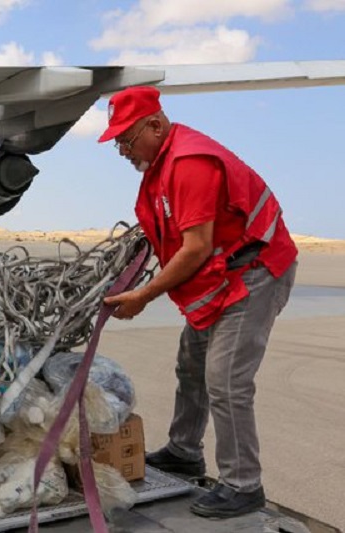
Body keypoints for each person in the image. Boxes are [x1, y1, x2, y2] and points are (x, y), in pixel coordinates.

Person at [98, 86, 298, 519]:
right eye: (116, 142)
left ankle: (244, 486)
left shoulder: (189, 162)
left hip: (255, 272)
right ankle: (184, 451)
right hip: (225, 272)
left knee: (225, 380)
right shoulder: (162, 165)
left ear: (155, 125)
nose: (121, 150)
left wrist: (145, 295)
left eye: (126, 139)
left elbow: (194, 249)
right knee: (191, 365)